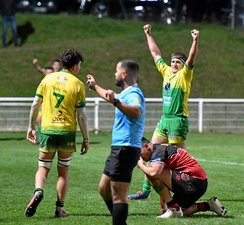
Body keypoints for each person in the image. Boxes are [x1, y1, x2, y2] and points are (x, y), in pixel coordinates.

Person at [128, 24, 199, 205]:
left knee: (178, 157)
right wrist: (149, 34)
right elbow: (155, 53)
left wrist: (195, 40)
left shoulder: (185, 75)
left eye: (178, 62)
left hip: (178, 121)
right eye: (173, 61)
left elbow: (191, 58)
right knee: (149, 151)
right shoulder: (166, 71)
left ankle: (186, 189)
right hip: (165, 120)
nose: (174, 64)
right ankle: (145, 191)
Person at [25, 48, 89, 218]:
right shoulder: (78, 84)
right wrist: (86, 138)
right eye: (80, 65)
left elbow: (35, 104)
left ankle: (38, 191)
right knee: (63, 172)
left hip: (47, 131)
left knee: (43, 168)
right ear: (75, 66)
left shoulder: (47, 79)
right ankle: (59, 209)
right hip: (67, 132)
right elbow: (81, 115)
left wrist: (31, 127)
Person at [87, 59, 145, 225]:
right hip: (119, 148)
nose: (114, 74)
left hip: (126, 148)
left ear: (124, 74)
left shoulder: (134, 93)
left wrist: (116, 102)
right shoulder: (126, 93)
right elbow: (110, 97)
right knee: (104, 188)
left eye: (116, 70)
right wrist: (95, 86)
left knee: (118, 195)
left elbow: (136, 111)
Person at [136, 137, 227, 218]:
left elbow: (154, 173)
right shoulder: (160, 149)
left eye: (139, 153)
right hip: (200, 183)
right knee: (182, 212)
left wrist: (140, 165)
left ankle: (173, 208)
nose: (140, 157)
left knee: (150, 172)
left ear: (146, 146)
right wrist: (164, 205)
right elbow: (162, 180)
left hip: (193, 180)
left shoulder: (158, 152)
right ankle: (208, 205)